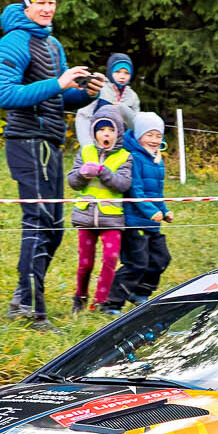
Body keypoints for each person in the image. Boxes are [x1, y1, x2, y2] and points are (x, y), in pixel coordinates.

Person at [0, 0, 98, 325]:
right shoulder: (13, 42)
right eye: (41, 3)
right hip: (26, 140)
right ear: (27, 4)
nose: (48, 9)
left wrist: (86, 93)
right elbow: (6, 95)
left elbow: (59, 97)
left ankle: (22, 299)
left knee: (54, 228)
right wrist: (58, 82)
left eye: (52, 3)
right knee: (38, 223)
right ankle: (32, 311)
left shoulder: (52, 44)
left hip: (51, 141)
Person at [67, 107, 133, 312]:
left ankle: (100, 301)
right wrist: (81, 174)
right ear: (94, 132)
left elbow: (123, 184)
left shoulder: (125, 156)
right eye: (102, 130)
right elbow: (72, 182)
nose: (106, 134)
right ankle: (80, 296)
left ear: (118, 133)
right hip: (85, 216)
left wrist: (103, 172)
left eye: (111, 130)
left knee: (111, 258)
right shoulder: (85, 152)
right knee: (85, 263)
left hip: (111, 218)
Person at [110, 111, 173, 308]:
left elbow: (157, 192)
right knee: (137, 263)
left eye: (158, 135)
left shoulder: (157, 160)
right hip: (135, 222)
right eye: (149, 135)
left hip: (152, 223)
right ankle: (112, 302)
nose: (154, 140)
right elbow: (135, 190)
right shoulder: (134, 158)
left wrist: (165, 210)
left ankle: (140, 292)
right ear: (138, 136)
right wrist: (150, 211)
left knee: (162, 259)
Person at [76, 52, 140, 148]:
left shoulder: (133, 96)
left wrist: (122, 108)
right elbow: (83, 117)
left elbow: (136, 124)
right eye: (117, 72)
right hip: (96, 144)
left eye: (126, 73)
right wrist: (87, 145)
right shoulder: (98, 88)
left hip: (122, 147)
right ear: (110, 71)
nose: (122, 76)